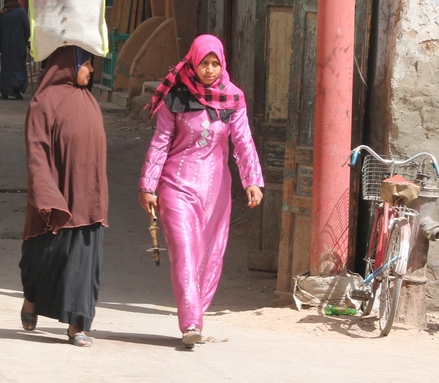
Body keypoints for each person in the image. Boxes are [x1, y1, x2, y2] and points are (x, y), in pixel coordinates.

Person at [138, 34, 264, 348]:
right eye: (204, 63)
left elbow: (244, 142)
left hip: (216, 190)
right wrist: (148, 185)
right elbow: (160, 142)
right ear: (194, 61)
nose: (209, 70)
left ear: (222, 64)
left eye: (215, 63)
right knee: (184, 251)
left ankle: (197, 315)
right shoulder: (176, 96)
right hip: (176, 186)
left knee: (210, 256)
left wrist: (252, 181)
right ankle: (190, 322)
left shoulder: (232, 98)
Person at [19, 45, 109, 347]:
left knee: (83, 262)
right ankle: (31, 298)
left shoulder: (87, 100)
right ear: (69, 65)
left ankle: (77, 324)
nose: (92, 70)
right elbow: (37, 151)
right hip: (56, 197)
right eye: (87, 64)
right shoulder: (43, 103)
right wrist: (46, 194)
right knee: (43, 257)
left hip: (88, 198)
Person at [0, 0, 30, 100]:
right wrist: (29, 43)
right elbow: (27, 28)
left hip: (5, 46)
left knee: (6, 67)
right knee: (19, 66)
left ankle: (5, 90)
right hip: (19, 45)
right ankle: (16, 89)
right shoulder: (21, 12)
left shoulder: (2, 13)